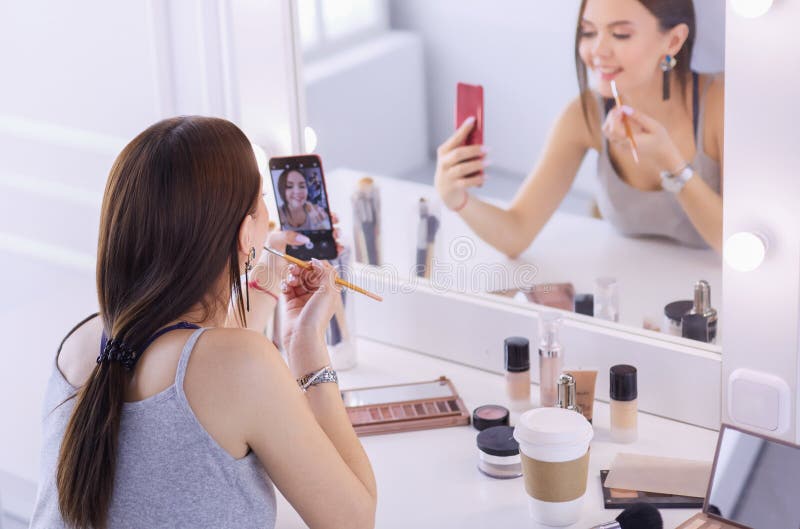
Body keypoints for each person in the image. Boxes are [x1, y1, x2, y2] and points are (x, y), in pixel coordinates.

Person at [29, 116, 377, 529]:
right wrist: (308, 353)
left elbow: (197, 356)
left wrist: (263, 276)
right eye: (261, 198)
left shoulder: (80, 343)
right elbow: (354, 520)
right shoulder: (240, 367)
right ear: (244, 232)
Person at [435, 0, 723, 253]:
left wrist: (673, 166)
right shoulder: (583, 115)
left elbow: (730, 242)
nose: (597, 50)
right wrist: (457, 199)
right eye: (588, 32)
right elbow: (516, 233)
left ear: (673, 41)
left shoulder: (720, 106)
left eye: (620, 34)